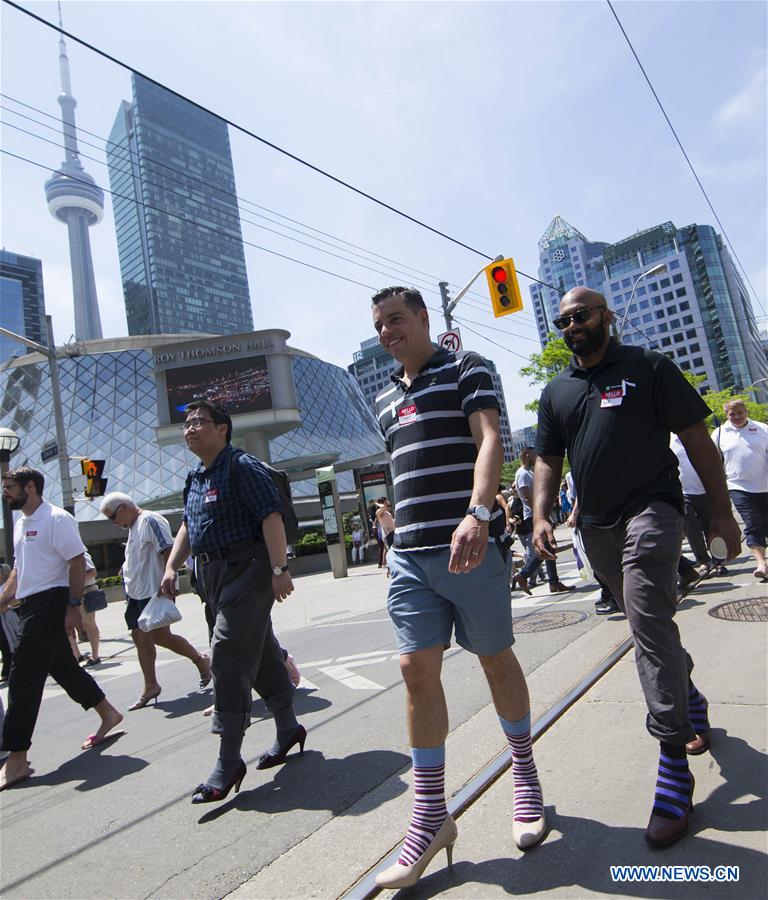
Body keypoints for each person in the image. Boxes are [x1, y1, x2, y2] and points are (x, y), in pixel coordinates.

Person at [532, 287, 741, 847]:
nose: (572, 325)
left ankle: (672, 763)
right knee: (649, 627)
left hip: (653, 508)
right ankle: (688, 695)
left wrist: (721, 515)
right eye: (564, 321)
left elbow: (698, 441)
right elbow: (548, 460)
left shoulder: (649, 367)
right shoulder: (556, 391)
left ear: (606, 316)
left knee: (647, 621)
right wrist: (541, 515)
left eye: (582, 315)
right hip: (595, 526)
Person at [370, 286, 545, 890]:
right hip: (411, 559)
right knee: (415, 671)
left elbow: (490, 438)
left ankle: (524, 777)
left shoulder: (467, 367)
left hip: (471, 548)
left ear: (423, 318)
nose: (388, 331)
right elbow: (403, 472)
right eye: (380, 325)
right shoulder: (384, 400)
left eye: (397, 319)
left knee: (496, 661)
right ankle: (429, 817)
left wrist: (479, 513)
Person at [159, 401, 304, 804]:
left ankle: (228, 758)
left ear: (223, 429)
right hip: (212, 576)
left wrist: (279, 570)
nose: (190, 429)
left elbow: (270, 516)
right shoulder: (195, 476)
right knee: (260, 649)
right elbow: (188, 524)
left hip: (250, 567)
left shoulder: (242, 466)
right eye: (186, 423)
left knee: (226, 652)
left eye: (200, 422)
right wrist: (172, 567)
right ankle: (289, 727)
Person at [0, 467, 123, 791]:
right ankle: (108, 712)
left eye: (9, 487)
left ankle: (16, 758)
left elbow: (77, 562)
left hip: (49, 604)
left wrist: (72, 607)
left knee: (23, 677)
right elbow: (19, 570)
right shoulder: (22, 523)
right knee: (64, 669)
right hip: (29, 605)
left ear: (30, 487)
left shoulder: (55, 518)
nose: (5, 493)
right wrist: (2, 600)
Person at [99, 493, 212, 710]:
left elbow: (169, 550)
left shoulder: (150, 520)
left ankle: (199, 660)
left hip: (153, 591)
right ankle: (151, 684)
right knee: (140, 635)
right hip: (136, 593)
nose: (113, 523)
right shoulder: (134, 527)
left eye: (113, 516)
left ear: (123, 507)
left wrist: (168, 582)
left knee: (160, 636)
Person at [712, 399, 768, 581]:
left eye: (739, 412)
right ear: (726, 415)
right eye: (731, 414)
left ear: (746, 411)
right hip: (739, 487)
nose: (736, 417)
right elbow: (714, 462)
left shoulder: (762, 429)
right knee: (752, 524)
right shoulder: (719, 433)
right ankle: (761, 564)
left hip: (765, 486)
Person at [513, 448, 569, 594]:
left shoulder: (529, 472)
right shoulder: (523, 474)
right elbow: (527, 496)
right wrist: (541, 516)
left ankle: (553, 582)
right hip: (533, 516)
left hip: (535, 515)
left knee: (549, 547)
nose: (536, 457)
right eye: (533, 455)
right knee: (546, 547)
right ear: (526, 455)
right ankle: (524, 574)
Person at [66, 550, 103, 666]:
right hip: (69, 594)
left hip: (85, 592)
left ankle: (95, 656)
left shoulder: (79, 553)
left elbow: (92, 572)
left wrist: (74, 581)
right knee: (68, 625)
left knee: (89, 623)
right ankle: (77, 655)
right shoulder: (61, 558)